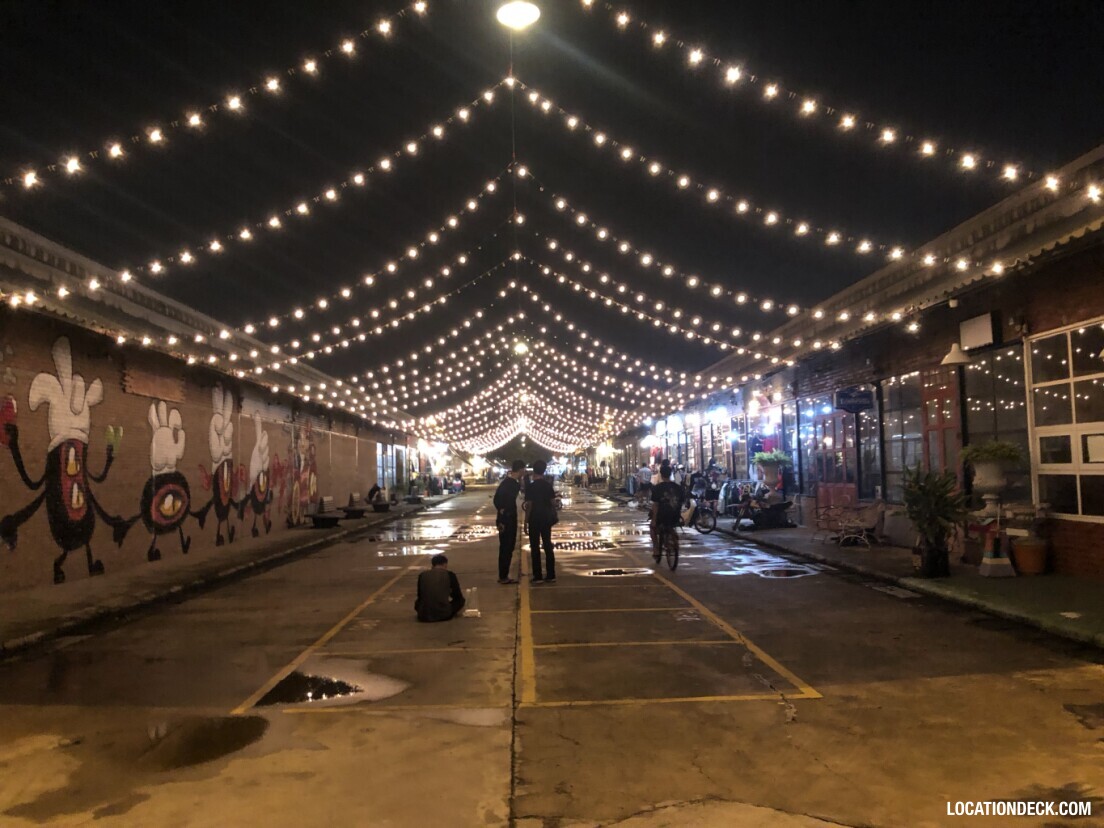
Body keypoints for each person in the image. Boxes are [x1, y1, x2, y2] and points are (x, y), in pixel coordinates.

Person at [523, 459, 560, 583]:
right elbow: (553, 502)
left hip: (534, 519)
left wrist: (525, 522)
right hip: (546, 519)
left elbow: (529, 505)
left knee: (535, 547)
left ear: (534, 471)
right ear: (544, 471)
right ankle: (551, 574)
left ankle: (537, 575)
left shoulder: (531, 487)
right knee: (547, 545)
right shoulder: (547, 486)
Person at [494, 460, 526, 584]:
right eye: (523, 470)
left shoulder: (506, 483)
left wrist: (500, 510)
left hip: (503, 518)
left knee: (505, 547)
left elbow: (497, 499)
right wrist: (504, 510)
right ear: (521, 470)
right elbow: (505, 499)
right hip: (507, 519)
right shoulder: (513, 484)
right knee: (507, 547)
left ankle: (503, 574)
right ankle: (503, 576)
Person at [415, 553, 465, 622]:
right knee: (461, 600)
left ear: (433, 565)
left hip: (423, 615)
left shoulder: (422, 575)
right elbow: (457, 595)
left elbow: (420, 596)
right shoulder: (449, 574)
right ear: (445, 564)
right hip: (444, 614)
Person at [650, 462, 684, 558]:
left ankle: (656, 549)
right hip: (675, 515)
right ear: (671, 474)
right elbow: (681, 502)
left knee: (653, 529)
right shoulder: (678, 487)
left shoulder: (657, 488)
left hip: (662, 515)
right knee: (672, 525)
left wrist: (654, 519)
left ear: (661, 474)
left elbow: (656, 505)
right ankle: (672, 538)